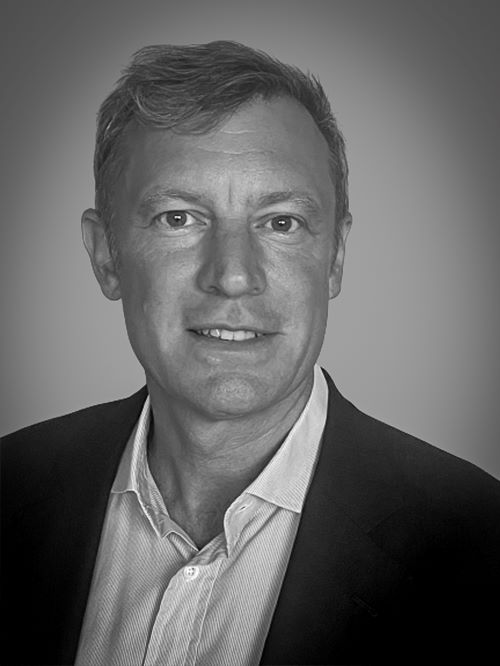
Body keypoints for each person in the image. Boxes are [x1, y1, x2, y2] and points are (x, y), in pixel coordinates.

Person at [1, 40, 499, 666]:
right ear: (106, 256)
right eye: (179, 218)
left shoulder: (480, 544)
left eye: (281, 222)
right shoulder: (11, 486)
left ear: (335, 257)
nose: (234, 276)